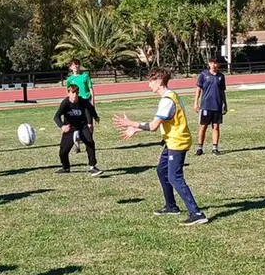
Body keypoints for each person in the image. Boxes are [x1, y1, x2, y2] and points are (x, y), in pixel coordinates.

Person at [113, 68, 209, 226]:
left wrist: (131, 123)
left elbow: (153, 126)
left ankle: (197, 213)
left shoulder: (167, 100)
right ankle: (171, 206)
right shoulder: (171, 95)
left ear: (159, 82)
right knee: (162, 170)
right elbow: (160, 123)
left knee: (174, 177)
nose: (148, 84)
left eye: (151, 81)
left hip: (177, 142)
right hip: (172, 141)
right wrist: (136, 129)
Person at [54, 84, 103, 177]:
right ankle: (66, 167)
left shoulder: (82, 101)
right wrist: (62, 126)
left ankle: (92, 167)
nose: (74, 95)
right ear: (68, 93)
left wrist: (96, 117)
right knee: (63, 151)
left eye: (76, 93)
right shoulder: (65, 103)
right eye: (72, 93)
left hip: (82, 126)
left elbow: (91, 108)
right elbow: (56, 117)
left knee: (90, 142)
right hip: (70, 128)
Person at [193, 56, 228, 156]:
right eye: (212, 63)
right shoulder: (204, 75)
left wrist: (225, 103)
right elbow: (198, 89)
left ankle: (215, 148)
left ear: (219, 65)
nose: (214, 65)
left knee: (216, 126)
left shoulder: (221, 76)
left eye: (216, 63)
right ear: (209, 64)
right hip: (206, 105)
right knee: (203, 126)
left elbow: (222, 91)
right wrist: (196, 102)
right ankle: (200, 147)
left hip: (217, 105)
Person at [66, 59, 94, 153]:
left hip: (86, 102)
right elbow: (68, 92)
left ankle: (89, 142)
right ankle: (77, 146)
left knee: (89, 124)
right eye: (73, 65)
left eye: (77, 64)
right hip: (76, 104)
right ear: (70, 67)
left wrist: (93, 102)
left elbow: (90, 89)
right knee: (76, 125)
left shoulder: (85, 76)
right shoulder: (69, 79)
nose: (76, 66)